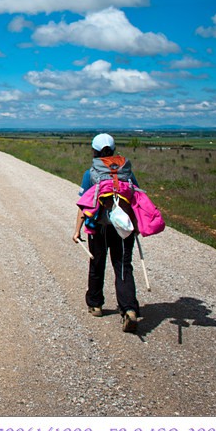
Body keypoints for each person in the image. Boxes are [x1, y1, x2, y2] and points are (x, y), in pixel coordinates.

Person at [73, 133, 141, 333]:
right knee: (123, 266)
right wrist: (136, 227)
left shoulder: (91, 173)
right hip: (123, 228)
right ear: (113, 150)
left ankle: (95, 305)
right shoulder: (126, 172)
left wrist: (76, 230)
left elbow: (83, 205)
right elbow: (136, 200)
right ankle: (129, 308)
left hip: (99, 226)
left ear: (94, 151)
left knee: (97, 263)